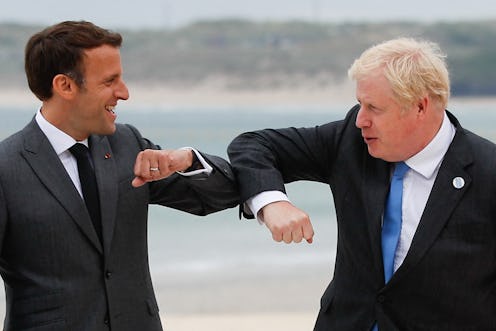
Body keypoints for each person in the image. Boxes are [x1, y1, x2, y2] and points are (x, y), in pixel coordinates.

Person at [227, 37, 496, 330]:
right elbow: (253, 145)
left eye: (374, 108)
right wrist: (272, 202)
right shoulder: (350, 141)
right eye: (360, 105)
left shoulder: (488, 172)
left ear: (420, 107)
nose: (361, 120)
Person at [0, 21, 238, 331]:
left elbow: (223, 193)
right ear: (65, 86)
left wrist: (187, 159)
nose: (123, 93)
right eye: (110, 81)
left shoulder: (128, 144)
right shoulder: (6, 168)